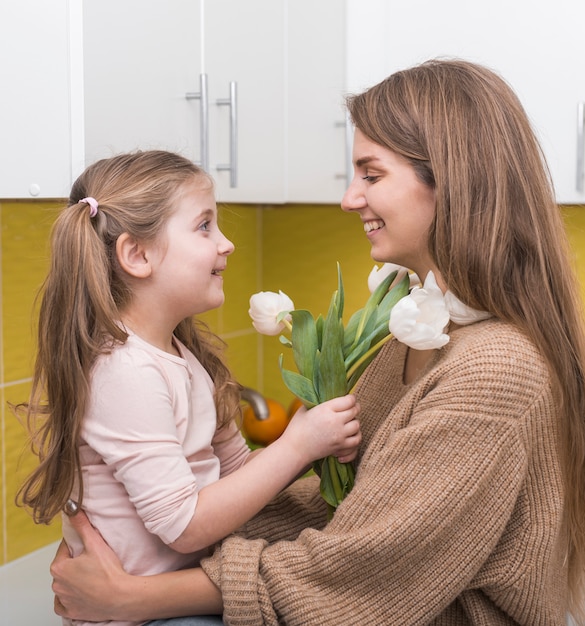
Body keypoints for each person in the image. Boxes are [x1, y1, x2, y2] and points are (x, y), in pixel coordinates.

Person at [49, 59, 585, 625]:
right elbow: (345, 508)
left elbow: (363, 578)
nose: (348, 199)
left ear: (452, 180)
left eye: (371, 175)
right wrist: (128, 553)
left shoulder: (493, 370)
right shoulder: (419, 330)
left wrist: (134, 594)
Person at [15, 150, 361, 626]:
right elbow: (184, 526)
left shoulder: (179, 354)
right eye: (204, 226)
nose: (227, 244)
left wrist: (308, 445)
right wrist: (298, 447)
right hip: (144, 616)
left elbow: (235, 477)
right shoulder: (127, 372)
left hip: (167, 595)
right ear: (138, 255)